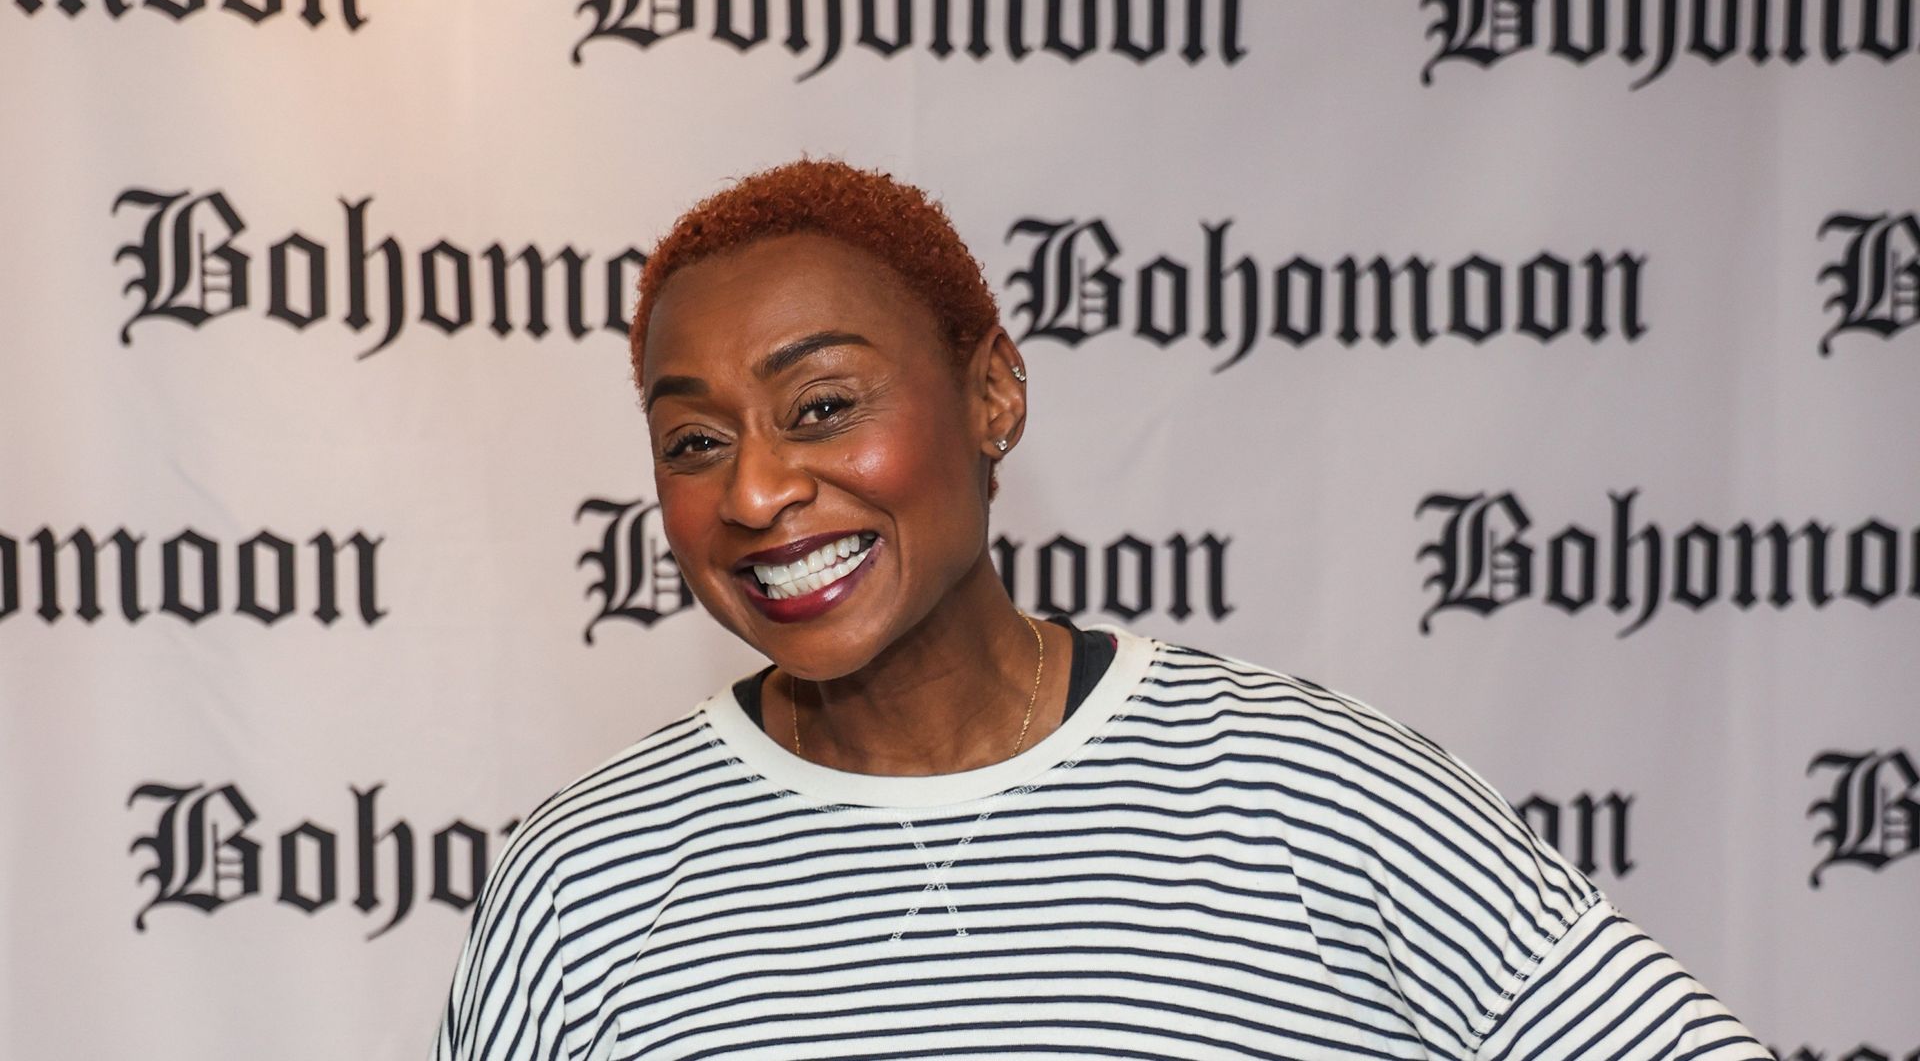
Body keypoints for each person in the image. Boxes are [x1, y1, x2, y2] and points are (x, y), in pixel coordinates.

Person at [431, 158, 1770, 1060]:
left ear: (992, 396)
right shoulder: (585, 885)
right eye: (694, 443)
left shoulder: (1312, 795)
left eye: (824, 406)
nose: (762, 489)